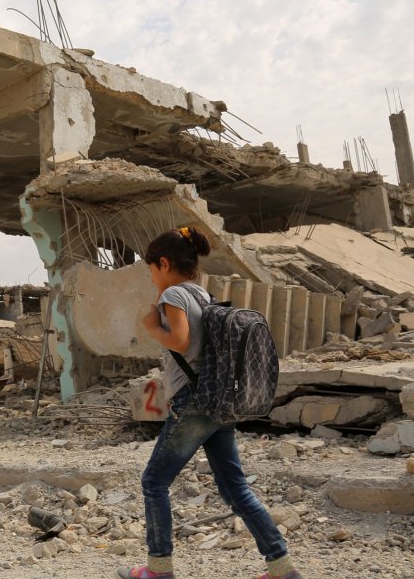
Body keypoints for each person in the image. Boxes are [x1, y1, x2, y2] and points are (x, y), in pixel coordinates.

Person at [117, 227, 302, 579]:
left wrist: (151, 326)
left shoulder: (173, 294)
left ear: (165, 263)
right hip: (217, 402)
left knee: (153, 482)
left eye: (151, 269)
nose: (152, 277)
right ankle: (281, 568)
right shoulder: (203, 295)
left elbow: (181, 341)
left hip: (192, 404)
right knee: (236, 487)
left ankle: (158, 570)